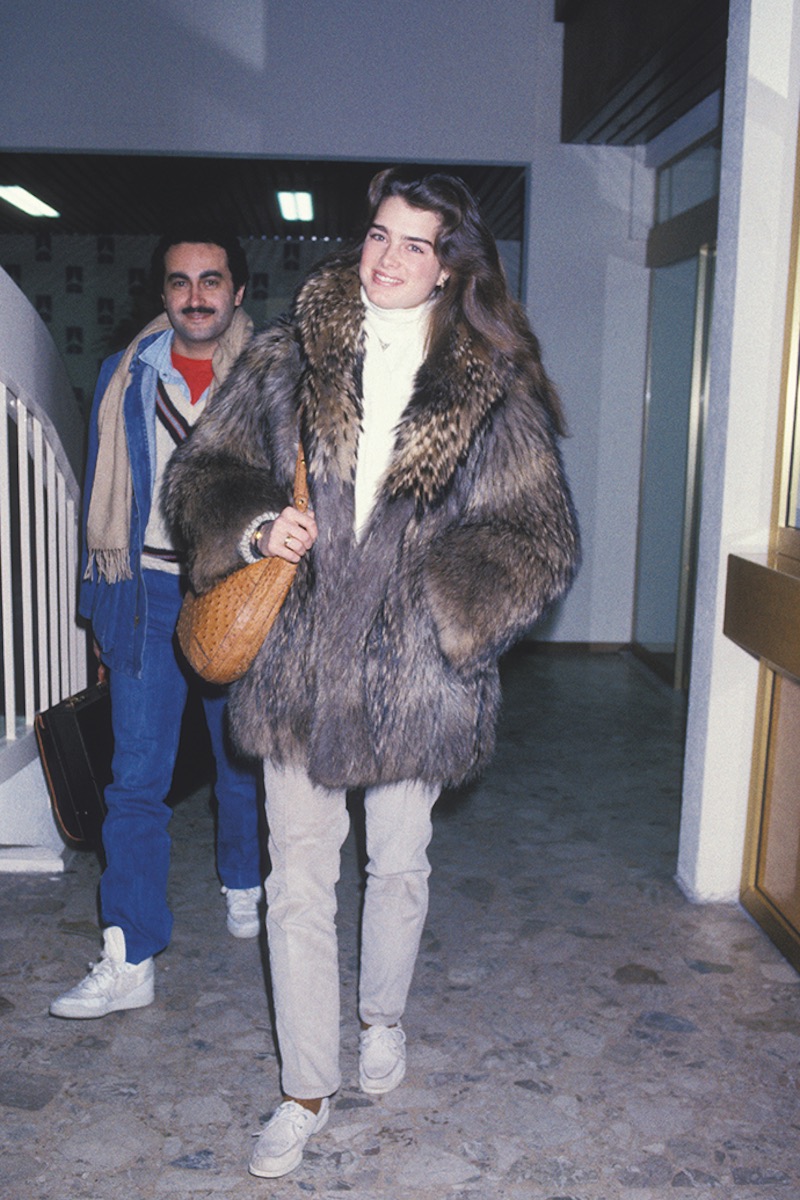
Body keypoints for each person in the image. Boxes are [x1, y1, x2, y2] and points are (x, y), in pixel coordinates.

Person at [165, 169, 579, 1178]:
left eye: (411, 244)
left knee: (397, 865)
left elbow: (540, 537)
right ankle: (302, 1087)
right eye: (376, 234)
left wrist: (446, 617)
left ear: (449, 267)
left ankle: (381, 1017)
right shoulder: (286, 355)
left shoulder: (490, 381)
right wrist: (259, 524)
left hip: (415, 678)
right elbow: (199, 479)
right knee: (296, 880)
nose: (382, 257)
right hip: (298, 666)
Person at [50, 231, 262, 1021]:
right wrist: (105, 618)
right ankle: (129, 953)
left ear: (237, 291)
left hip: (237, 597)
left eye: (212, 280)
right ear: (163, 293)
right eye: (181, 282)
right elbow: (102, 510)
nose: (196, 295)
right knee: (135, 779)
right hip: (146, 594)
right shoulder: (124, 376)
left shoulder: (273, 380)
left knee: (240, 759)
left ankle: (244, 880)